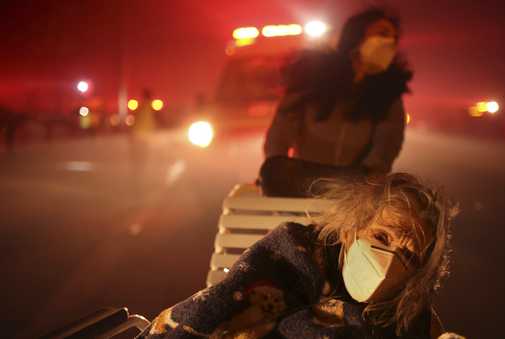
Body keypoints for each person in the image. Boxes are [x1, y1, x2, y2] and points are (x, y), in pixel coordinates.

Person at [137, 173, 460, 339]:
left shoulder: (409, 310)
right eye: (381, 236)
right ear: (351, 229)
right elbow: (219, 308)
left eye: (408, 255)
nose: (389, 259)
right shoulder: (297, 253)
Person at [263, 7, 413, 175]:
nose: (390, 42)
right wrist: (276, 170)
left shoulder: (389, 95)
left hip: (353, 187)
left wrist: (367, 179)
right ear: (357, 36)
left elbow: (386, 146)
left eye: (394, 38)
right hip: (304, 181)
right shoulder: (311, 78)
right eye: (383, 34)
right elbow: (280, 133)